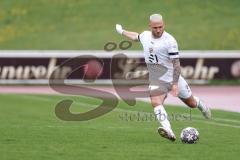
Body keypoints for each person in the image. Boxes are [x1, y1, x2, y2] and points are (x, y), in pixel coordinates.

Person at [115, 13, 211, 141]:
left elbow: (176, 64)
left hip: (172, 78)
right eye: (155, 28)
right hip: (157, 79)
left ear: (163, 25)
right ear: (150, 26)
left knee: (191, 103)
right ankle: (168, 130)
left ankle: (201, 105)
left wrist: (175, 84)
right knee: (155, 102)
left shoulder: (169, 41)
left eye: (160, 27)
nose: (158, 30)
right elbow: (135, 36)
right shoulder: (145, 36)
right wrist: (121, 31)